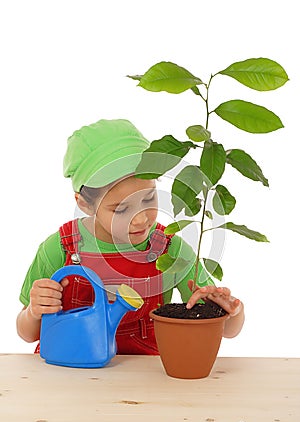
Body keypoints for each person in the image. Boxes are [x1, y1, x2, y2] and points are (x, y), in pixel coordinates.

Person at [16, 119, 244, 354]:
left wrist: (232, 312)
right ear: (84, 204)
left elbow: (227, 330)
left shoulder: (170, 249)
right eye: (121, 209)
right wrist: (34, 311)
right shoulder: (60, 248)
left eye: (149, 199)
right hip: (68, 374)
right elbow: (26, 333)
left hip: (143, 381)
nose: (141, 219)